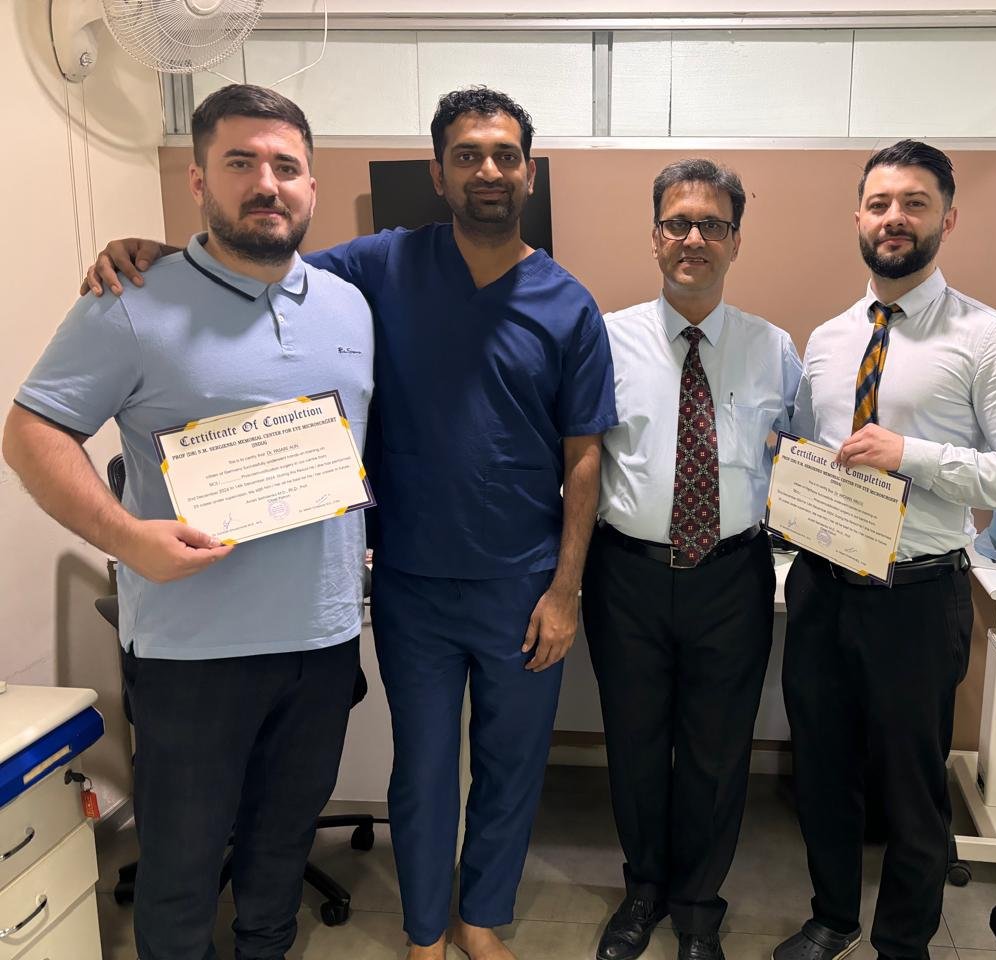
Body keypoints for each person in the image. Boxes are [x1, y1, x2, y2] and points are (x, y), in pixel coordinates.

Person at [81, 86, 616, 960]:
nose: (488, 170)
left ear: (528, 173)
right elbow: (258, 259)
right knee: (424, 766)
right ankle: (424, 930)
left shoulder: (569, 304)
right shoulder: (380, 266)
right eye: (468, 155)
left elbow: (584, 455)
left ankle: (481, 917)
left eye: (505, 155)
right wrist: (161, 257)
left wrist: (566, 590)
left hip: (523, 585)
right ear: (439, 174)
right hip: (411, 581)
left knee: (514, 764)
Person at [4, 84, 373, 960]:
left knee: (282, 847)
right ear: (199, 181)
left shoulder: (348, 306)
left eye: (286, 166)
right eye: (240, 162)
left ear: (312, 185)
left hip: (322, 642)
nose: (267, 183)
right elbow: (30, 434)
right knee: (181, 864)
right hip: (193, 654)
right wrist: (126, 539)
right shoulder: (131, 300)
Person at [774, 140, 996, 960]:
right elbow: (817, 449)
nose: (893, 218)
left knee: (910, 789)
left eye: (914, 203)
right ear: (858, 218)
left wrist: (913, 455)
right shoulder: (829, 338)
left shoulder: (990, 337)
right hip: (823, 584)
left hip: (916, 593)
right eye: (879, 204)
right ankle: (833, 917)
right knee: (822, 772)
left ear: (948, 218)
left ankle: (903, 944)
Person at [584, 159, 802, 960]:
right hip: (627, 575)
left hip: (732, 577)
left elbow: (803, 458)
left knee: (718, 751)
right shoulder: (605, 340)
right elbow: (577, 459)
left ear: (736, 241)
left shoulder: (774, 348)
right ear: (655, 236)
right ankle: (643, 890)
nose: (694, 239)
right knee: (634, 742)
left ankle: (699, 909)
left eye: (712, 225)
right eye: (678, 222)